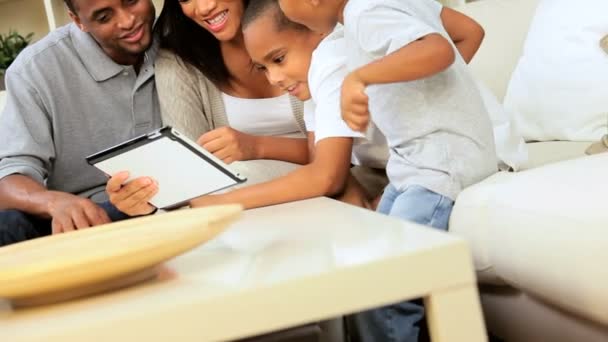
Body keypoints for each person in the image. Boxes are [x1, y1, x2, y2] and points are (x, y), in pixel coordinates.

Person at [278, 0, 497, 341]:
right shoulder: (373, 10)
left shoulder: (365, 12)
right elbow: (459, 37)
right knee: (369, 267)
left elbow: (438, 50)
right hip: (413, 165)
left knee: (385, 286)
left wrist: (360, 77)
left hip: (439, 165)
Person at [0, 0, 161, 247]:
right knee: (8, 225)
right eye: (105, 17)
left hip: (171, 200)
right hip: (89, 218)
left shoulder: (176, 39)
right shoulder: (34, 69)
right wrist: (55, 202)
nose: (128, 21)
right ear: (78, 21)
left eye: (131, 1)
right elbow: (8, 177)